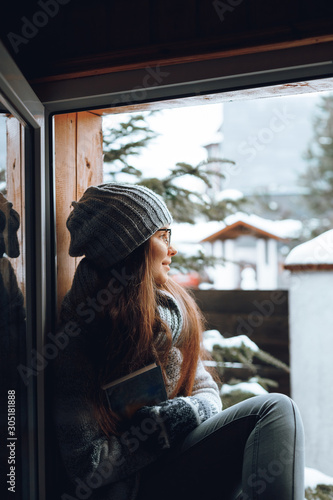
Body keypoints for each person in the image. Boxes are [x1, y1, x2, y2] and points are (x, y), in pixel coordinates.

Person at [51, 182, 305, 500]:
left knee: (274, 422)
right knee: (274, 409)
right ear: (130, 247)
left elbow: (206, 390)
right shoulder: (82, 335)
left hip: (171, 466)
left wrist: (182, 415)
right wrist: (160, 430)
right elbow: (87, 465)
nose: (172, 249)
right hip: (135, 489)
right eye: (163, 235)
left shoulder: (170, 313)